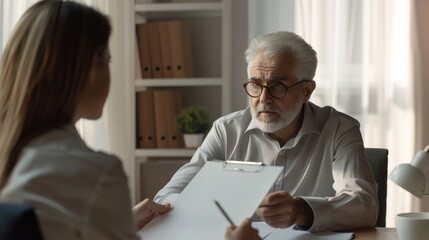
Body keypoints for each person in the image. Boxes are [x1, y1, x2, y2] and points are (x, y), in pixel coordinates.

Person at [0, 1, 259, 240]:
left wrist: (119, 221)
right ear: (92, 69)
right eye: (108, 60)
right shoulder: (95, 172)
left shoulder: (16, 154)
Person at [153, 31, 379, 232]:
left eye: (277, 86)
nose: (263, 98)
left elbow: (364, 205)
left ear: (306, 91)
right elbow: (166, 198)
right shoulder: (226, 131)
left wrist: (301, 210)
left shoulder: (339, 129)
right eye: (255, 84)